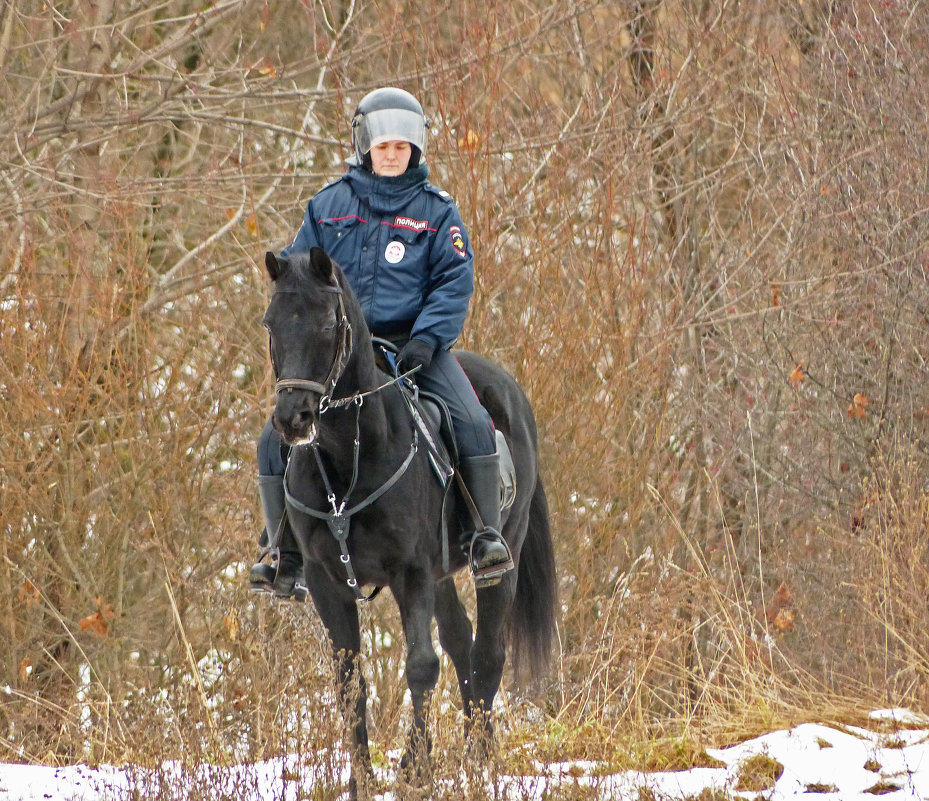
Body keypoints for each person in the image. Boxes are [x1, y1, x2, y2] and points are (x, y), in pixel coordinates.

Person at [250, 87, 513, 599]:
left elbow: (454, 281)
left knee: (472, 420)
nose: (391, 155)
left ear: (415, 149)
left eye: (401, 147)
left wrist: (428, 339)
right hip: (339, 352)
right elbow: (297, 276)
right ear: (365, 146)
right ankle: (283, 551)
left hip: (413, 347)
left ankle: (482, 535)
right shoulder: (327, 206)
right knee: (272, 438)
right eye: (382, 146)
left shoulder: (437, 213)